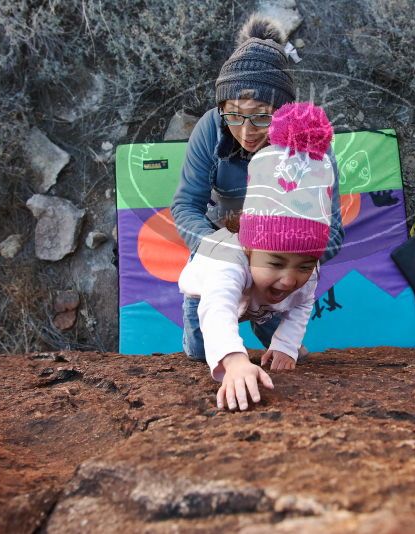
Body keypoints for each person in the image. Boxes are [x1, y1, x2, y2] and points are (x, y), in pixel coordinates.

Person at [171, 15, 344, 356]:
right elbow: (186, 205)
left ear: (284, 110)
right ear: (221, 109)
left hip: (281, 260)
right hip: (221, 248)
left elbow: (333, 230)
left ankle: (272, 334)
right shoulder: (211, 128)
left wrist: (285, 259)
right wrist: (227, 249)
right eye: (234, 114)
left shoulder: (309, 147)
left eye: (263, 116)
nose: (246, 130)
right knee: (199, 349)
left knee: (280, 344)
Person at [178, 102, 335, 411]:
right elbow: (219, 309)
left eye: (304, 264)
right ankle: (213, 345)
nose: (291, 277)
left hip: (264, 300)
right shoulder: (227, 263)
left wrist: (286, 346)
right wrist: (234, 361)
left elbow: (302, 304)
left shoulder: (302, 274)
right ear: (249, 249)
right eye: (276, 261)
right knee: (200, 350)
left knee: (275, 311)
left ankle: (271, 337)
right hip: (207, 295)